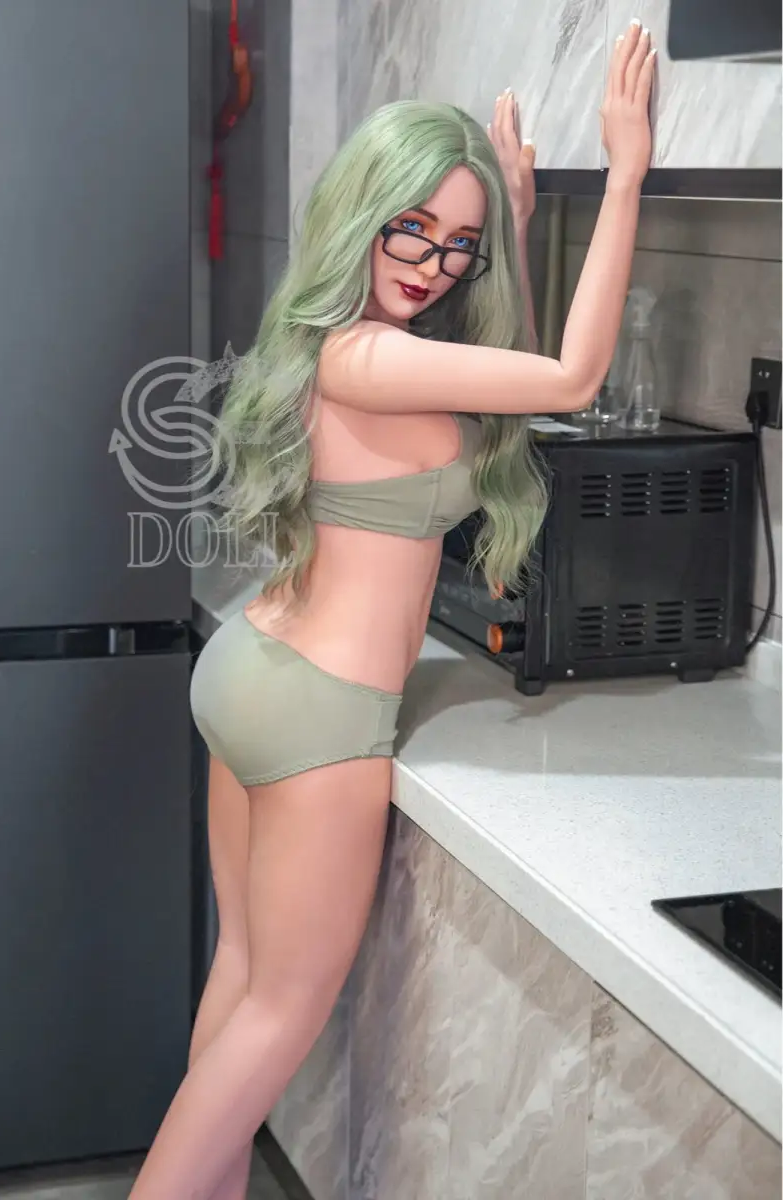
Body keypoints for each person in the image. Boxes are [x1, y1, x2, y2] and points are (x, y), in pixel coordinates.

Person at [131, 22, 656, 1200]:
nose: (431, 263)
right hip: (321, 716)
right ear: (361, 212)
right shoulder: (370, 360)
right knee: (282, 1009)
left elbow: (498, 393)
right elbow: (568, 381)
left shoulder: (350, 346)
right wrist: (624, 176)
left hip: (258, 669)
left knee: (244, 983)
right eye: (410, 228)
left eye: (458, 244)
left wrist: (515, 224)